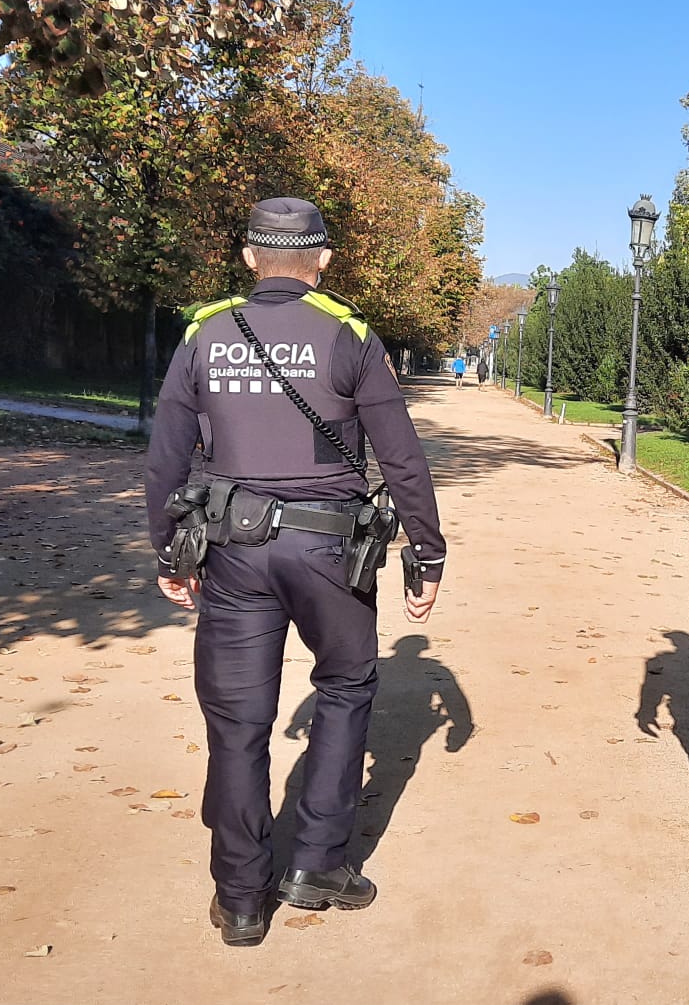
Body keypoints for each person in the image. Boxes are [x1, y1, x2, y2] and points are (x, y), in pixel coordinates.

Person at [145, 197, 447, 948]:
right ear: (323, 261)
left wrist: (168, 551)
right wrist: (427, 551)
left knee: (238, 724)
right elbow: (401, 454)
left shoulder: (205, 331)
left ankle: (241, 898)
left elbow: (165, 455)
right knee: (346, 687)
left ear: (249, 257)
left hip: (233, 551)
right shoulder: (348, 333)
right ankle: (317, 863)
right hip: (328, 553)